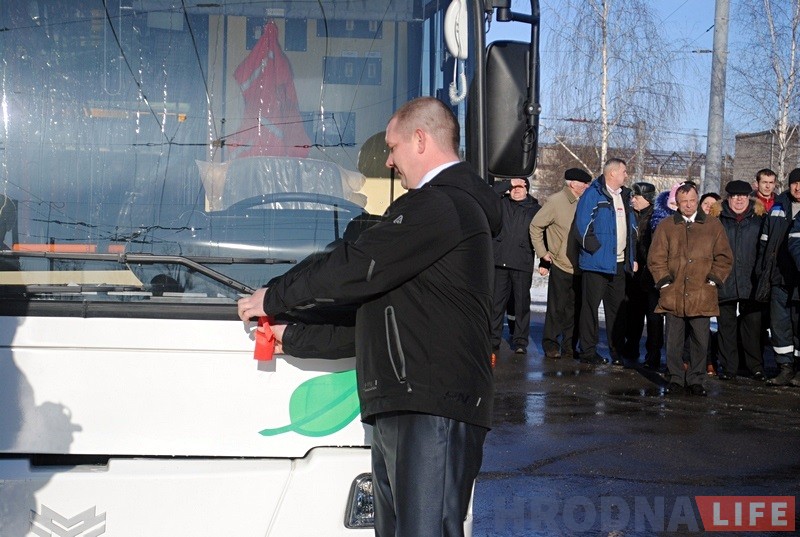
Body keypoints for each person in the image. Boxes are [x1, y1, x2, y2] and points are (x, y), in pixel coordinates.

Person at [237, 96, 502, 537]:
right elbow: (378, 318)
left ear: (421, 140)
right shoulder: (435, 211)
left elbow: (354, 265)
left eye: (393, 148)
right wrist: (295, 335)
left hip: (432, 405)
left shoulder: (442, 206)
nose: (390, 162)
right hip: (408, 401)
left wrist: (275, 296)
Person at [648, 182, 733, 396]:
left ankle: (696, 379)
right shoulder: (666, 226)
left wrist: (713, 279)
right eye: (684, 201)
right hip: (673, 292)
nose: (688, 205)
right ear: (677, 203)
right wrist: (664, 281)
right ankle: (676, 378)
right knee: (673, 339)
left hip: (702, 291)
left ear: (697, 200)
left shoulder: (713, 226)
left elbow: (724, 257)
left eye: (692, 200)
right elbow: (655, 257)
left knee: (700, 339)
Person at [573, 158, 637, 365]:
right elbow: (582, 226)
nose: (626, 175)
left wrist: (631, 256)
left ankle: (617, 352)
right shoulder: (593, 194)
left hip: (618, 264)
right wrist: (597, 249)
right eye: (624, 171)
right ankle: (588, 351)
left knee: (617, 310)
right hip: (596, 263)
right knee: (590, 309)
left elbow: (631, 228)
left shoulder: (625, 196)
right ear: (612, 173)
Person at [529, 167, 592, 359]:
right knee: (557, 308)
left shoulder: (586, 202)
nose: (587, 186)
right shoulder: (556, 201)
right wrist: (543, 253)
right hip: (561, 264)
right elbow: (535, 226)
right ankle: (551, 344)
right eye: (584, 183)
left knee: (575, 309)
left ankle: (569, 345)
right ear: (573, 184)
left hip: (581, 266)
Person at [712, 180, 766, 381]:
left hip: (751, 281)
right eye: (735, 196)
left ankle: (755, 366)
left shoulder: (760, 219)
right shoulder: (716, 219)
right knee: (726, 326)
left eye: (743, 196)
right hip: (724, 280)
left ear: (749, 197)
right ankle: (728, 367)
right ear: (728, 198)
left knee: (752, 327)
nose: (739, 200)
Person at [759, 167, 800, 387]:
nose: (798, 188)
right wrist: (762, 269)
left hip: (798, 277)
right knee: (779, 324)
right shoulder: (778, 206)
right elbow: (765, 241)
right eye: (795, 183)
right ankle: (784, 367)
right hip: (778, 275)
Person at [491, 177, 540, 354]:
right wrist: (508, 182)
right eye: (513, 187)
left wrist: (544, 261)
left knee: (521, 304)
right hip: (500, 261)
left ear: (527, 189)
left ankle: (520, 341)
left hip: (522, 262)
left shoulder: (535, 209)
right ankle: (493, 339)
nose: (516, 190)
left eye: (520, 187)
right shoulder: (501, 203)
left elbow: (542, 234)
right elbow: (489, 194)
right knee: (496, 304)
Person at [621, 181, 662, 367]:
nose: (633, 200)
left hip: (650, 272)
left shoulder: (657, 217)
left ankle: (653, 354)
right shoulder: (630, 214)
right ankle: (631, 347)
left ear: (646, 199)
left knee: (653, 317)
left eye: (636, 197)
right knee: (633, 313)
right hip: (633, 274)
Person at [699, 190, 722, 376]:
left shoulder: (719, 227)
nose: (708, 207)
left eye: (713, 205)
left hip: (711, 280)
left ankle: (709, 360)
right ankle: (687, 359)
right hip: (691, 280)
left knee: (707, 325)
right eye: (705, 203)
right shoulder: (691, 223)